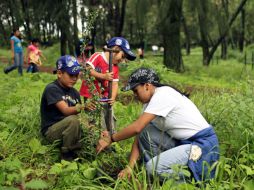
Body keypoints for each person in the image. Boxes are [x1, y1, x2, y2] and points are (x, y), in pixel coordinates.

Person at [96, 67, 219, 182]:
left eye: (135, 90)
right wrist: (130, 167)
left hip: (201, 145)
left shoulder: (163, 95)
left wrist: (111, 139)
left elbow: (136, 127)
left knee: (151, 168)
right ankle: (157, 178)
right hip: (184, 144)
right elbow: (139, 134)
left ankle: (188, 180)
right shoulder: (148, 104)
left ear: (147, 86)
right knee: (146, 132)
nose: (135, 95)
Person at [40, 55, 95, 161]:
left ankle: (82, 150)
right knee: (73, 120)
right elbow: (65, 111)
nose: (74, 79)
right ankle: (67, 154)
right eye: (71, 75)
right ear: (59, 74)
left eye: (76, 75)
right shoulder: (52, 88)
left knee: (88, 122)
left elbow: (79, 115)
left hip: (68, 128)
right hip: (51, 131)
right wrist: (83, 106)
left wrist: (90, 126)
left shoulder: (74, 92)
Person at [79, 37, 136, 130]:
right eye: (122, 56)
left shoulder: (115, 67)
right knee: (94, 119)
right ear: (115, 49)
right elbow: (88, 70)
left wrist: (113, 97)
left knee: (108, 117)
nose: (122, 60)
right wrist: (103, 76)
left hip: (105, 96)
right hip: (91, 95)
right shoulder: (98, 56)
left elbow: (114, 84)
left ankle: (110, 137)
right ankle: (93, 139)